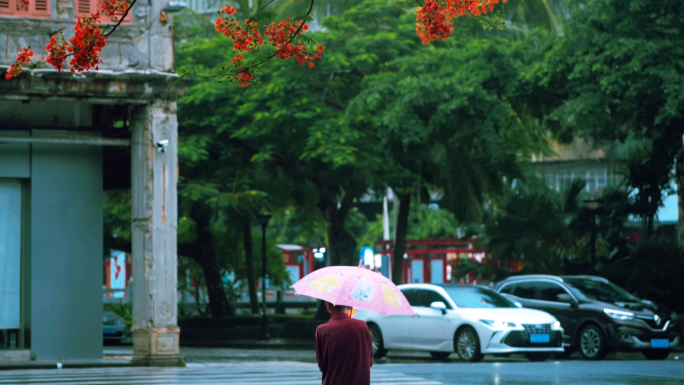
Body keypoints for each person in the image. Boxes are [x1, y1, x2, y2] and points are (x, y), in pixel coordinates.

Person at [315, 301, 373, 385]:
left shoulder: (321, 331)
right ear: (346, 304)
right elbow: (370, 362)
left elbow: (322, 368)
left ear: (328, 305)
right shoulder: (362, 326)